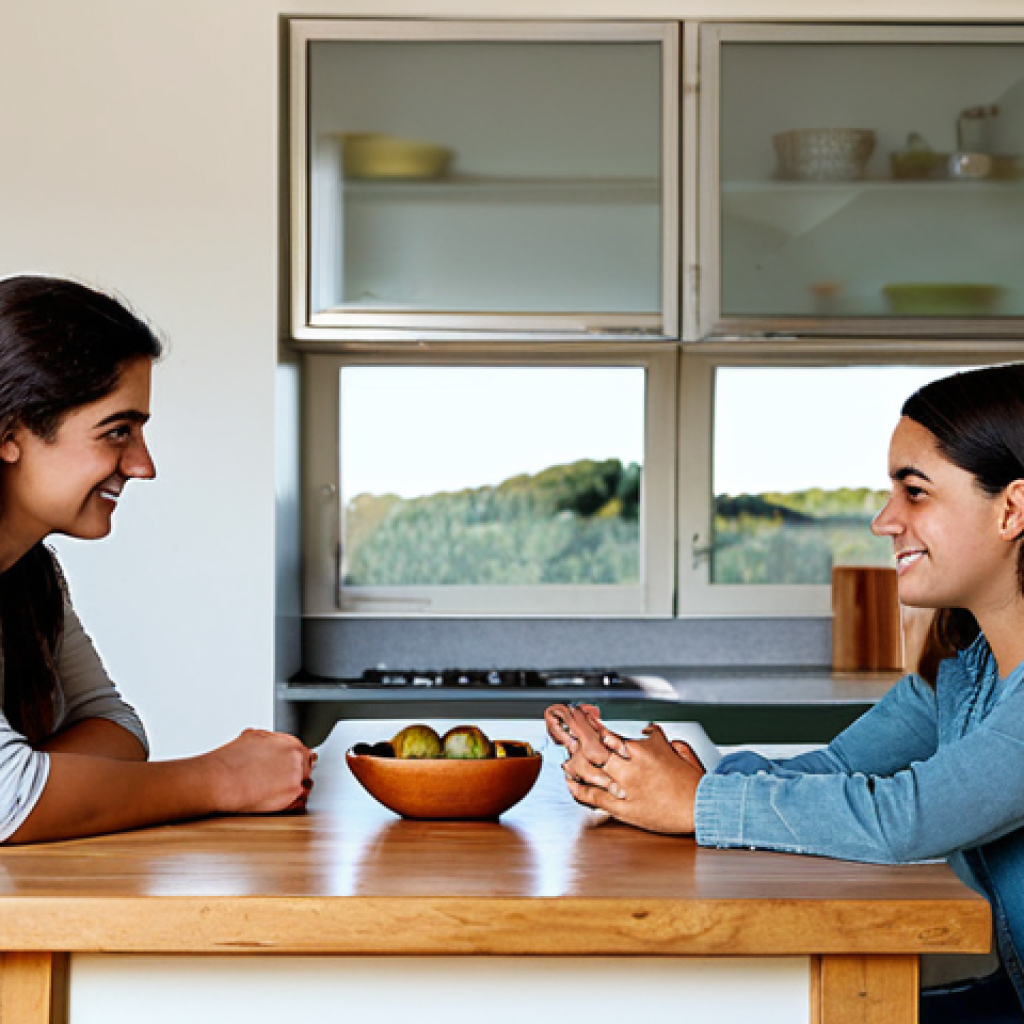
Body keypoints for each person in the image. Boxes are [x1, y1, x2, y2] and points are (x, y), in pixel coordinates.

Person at [546, 362, 1024, 1023]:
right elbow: (835, 768)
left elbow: (902, 819)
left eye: (914, 492)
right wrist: (648, 779)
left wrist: (696, 801)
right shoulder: (963, 674)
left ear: (1012, 510)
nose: (884, 521)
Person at [0, 274, 316, 845]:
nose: (143, 466)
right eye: (116, 431)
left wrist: (43, 783)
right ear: (10, 432)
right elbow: (9, 800)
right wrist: (224, 778)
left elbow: (117, 725)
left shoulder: (33, 575)